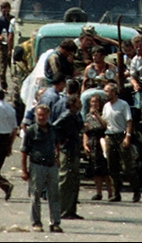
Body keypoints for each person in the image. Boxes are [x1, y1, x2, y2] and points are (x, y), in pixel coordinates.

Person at [21, 105, 63, 232]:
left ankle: (55, 222)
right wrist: (24, 170)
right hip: (36, 165)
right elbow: (24, 152)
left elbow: (57, 144)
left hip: (51, 166)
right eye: (39, 115)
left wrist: (57, 158)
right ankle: (36, 222)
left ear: (48, 115)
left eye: (44, 115)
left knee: (54, 195)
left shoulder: (53, 129)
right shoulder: (31, 131)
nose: (41, 117)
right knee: (36, 195)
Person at [102, 82, 141, 203]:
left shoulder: (123, 105)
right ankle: (116, 193)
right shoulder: (106, 106)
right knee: (112, 166)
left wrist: (127, 137)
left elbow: (129, 121)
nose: (106, 93)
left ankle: (136, 190)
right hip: (110, 136)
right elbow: (104, 123)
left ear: (114, 92)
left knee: (127, 166)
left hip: (121, 135)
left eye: (107, 91)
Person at [53, 89, 84, 220]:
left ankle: (71, 210)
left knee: (74, 181)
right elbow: (54, 128)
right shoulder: (66, 116)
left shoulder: (75, 115)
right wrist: (61, 141)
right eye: (78, 102)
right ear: (72, 104)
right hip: (67, 151)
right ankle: (62, 210)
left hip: (74, 150)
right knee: (65, 181)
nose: (80, 104)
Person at [83, 94, 112, 201]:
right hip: (93, 141)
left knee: (107, 169)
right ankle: (98, 192)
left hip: (103, 140)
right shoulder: (88, 116)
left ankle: (110, 192)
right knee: (96, 169)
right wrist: (85, 144)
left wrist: (98, 116)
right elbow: (86, 131)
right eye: (92, 102)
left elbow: (105, 126)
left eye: (96, 102)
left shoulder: (104, 114)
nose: (94, 104)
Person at [0, 2, 14, 90]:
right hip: (3, 46)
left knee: (13, 67)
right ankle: (3, 86)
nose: (5, 11)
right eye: (2, 9)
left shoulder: (13, 20)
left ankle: (15, 85)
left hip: (12, 46)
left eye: (6, 8)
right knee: (2, 69)